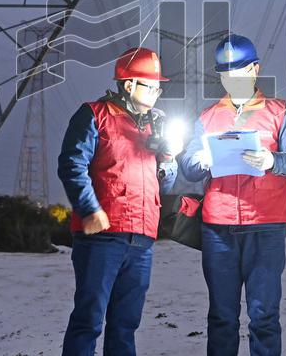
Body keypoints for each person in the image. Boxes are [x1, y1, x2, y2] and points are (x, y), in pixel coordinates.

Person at [178, 33, 286, 356]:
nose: (232, 80)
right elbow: (188, 165)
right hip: (218, 229)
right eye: (225, 74)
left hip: (265, 228)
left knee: (264, 316)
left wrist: (274, 160)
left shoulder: (280, 112)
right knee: (222, 317)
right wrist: (202, 160)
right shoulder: (208, 118)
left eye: (238, 72)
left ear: (255, 69)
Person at [57, 47, 178, 356]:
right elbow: (71, 164)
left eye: (158, 87)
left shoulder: (156, 127)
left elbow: (165, 182)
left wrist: (168, 159)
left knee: (126, 325)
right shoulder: (95, 115)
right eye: (149, 85)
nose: (156, 92)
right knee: (89, 320)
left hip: (142, 238)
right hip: (102, 236)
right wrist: (89, 209)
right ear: (128, 85)